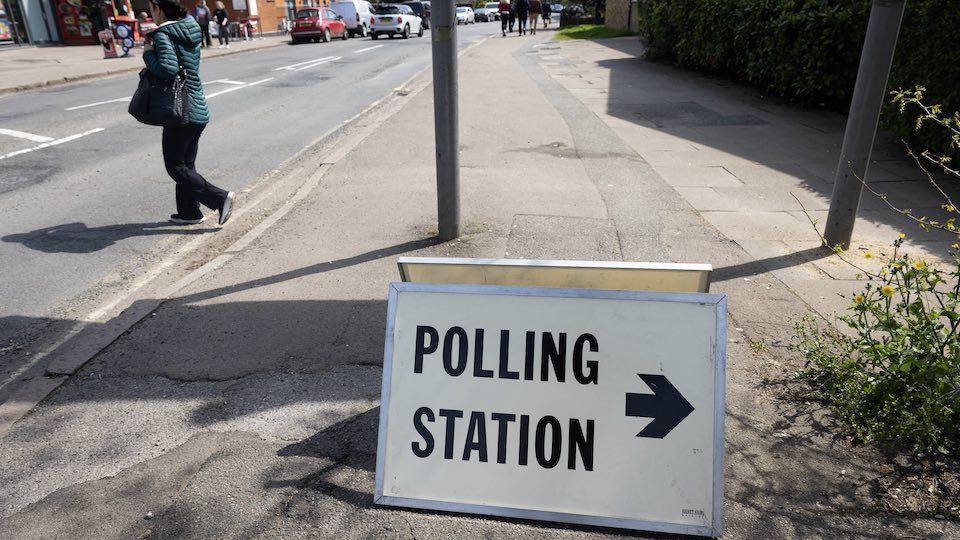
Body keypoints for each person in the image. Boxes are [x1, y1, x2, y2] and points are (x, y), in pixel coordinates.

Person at [143, 0, 235, 226]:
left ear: (159, 8)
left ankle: (219, 198)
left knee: (175, 166)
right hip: (197, 107)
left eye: (152, 8)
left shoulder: (163, 34)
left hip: (179, 110)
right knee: (186, 165)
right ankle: (189, 212)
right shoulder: (191, 28)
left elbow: (168, 68)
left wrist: (148, 54)